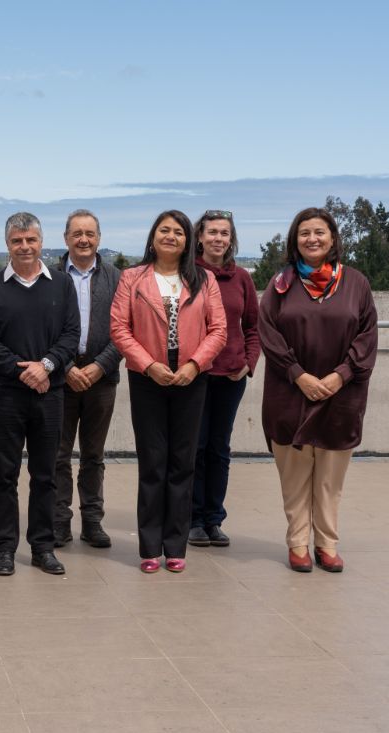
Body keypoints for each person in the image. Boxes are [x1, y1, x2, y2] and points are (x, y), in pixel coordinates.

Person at [258, 207, 377, 573]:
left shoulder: (356, 282)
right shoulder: (281, 285)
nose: (312, 238)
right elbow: (269, 333)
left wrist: (340, 375)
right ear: (295, 240)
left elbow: (368, 334)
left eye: (319, 232)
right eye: (304, 233)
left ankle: (327, 544)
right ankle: (297, 543)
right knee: (294, 478)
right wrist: (299, 375)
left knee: (329, 479)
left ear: (333, 238)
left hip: (341, 395)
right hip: (289, 392)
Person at [110, 210, 226, 573]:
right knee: (153, 463)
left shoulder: (204, 279)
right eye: (164, 230)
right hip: (148, 379)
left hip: (192, 380)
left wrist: (194, 365)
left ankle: (175, 545)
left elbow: (219, 329)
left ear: (188, 240)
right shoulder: (133, 277)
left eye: (178, 231)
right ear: (153, 236)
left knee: (182, 463)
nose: (171, 236)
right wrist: (148, 365)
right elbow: (119, 327)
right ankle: (149, 547)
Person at [0, 212, 80, 577]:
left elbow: (71, 334)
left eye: (30, 240)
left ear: (41, 241)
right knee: (4, 473)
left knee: (45, 474)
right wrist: (26, 371)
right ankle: (5, 548)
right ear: (7, 244)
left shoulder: (62, 285)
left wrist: (46, 366)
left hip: (50, 395)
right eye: (17, 241)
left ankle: (42, 547)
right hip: (7, 395)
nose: (24, 246)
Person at [189, 211, 260, 548]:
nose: (218, 238)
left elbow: (253, 326)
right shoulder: (188, 274)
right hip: (196, 375)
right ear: (199, 237)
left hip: (231, 377)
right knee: (196, 448)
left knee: (219, 449)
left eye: (224, 233)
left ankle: (214, 519)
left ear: (232, 239)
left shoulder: (242, 278)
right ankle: (193, 519)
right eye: (212, 232)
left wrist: (249, 362)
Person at [53, 210, 122, 549]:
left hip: (102, 377)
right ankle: (59, 522)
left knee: (94, 455)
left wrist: (98, 367)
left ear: (99, 238)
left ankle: (92, 521)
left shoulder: (117, 278)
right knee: (58, 455)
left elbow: (126, 329)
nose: (84, 239)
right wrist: (65, 367)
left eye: (90, 234)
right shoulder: (49, 277)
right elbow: (43, 330)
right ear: (66, 238)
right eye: (77, 233)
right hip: (59, 379)